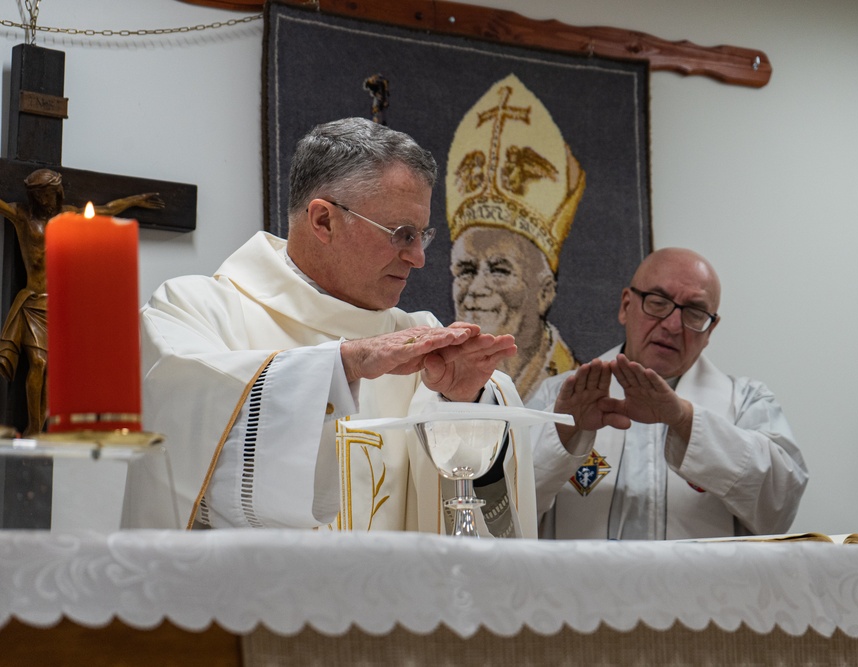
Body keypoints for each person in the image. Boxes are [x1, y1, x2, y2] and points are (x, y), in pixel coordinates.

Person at [130, 118, 537, 537]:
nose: (418, 258)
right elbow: (180, 443)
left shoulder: (421, 340)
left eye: (422, 236)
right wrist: (344, 365)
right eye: (402, 234)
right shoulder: (195, 310)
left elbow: (472, 520)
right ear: (323, 221)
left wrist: (465, 400)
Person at [529, 248, 807, 540]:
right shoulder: (557, 396)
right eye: (658, 303)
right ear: (626, 306)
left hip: (702, 586)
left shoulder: (746, 402)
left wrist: (686, 420)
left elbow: (779, 507)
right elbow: (504, 509)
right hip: (579, 584)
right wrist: (563, 430)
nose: (673, 326)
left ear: (710, 330)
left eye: (695, 313)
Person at [446, 74, 583, 402]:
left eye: (499, 269)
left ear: (545, 293)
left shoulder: (581, 395)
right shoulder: (428, 382)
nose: (476, 289)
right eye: (465, 269)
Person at [0, 168, 163, 435]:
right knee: (38, 364)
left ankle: (42, 425)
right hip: (33, 303)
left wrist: (135, 200)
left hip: (60, 306)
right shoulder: (22, 216)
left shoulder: (69, 215)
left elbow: (107, 209)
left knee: (55, 370)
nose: (44, 201)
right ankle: (32, 424)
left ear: (57, 192)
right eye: (39, 196)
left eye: (49, 194)